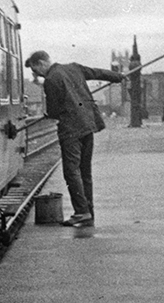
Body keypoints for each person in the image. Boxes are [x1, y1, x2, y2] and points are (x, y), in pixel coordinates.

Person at [25, 50, 124, 227]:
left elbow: (54, 112)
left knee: (71, 172)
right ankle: (88, 212)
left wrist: (49, 112)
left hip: (71, 130)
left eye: (35, 70)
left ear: (41, 63)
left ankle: (81, 212)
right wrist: (118, 76)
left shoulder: (51, 80)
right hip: (88, 125)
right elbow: (97, 73)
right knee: (85, 171)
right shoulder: (74, 68)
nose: (37, 74)